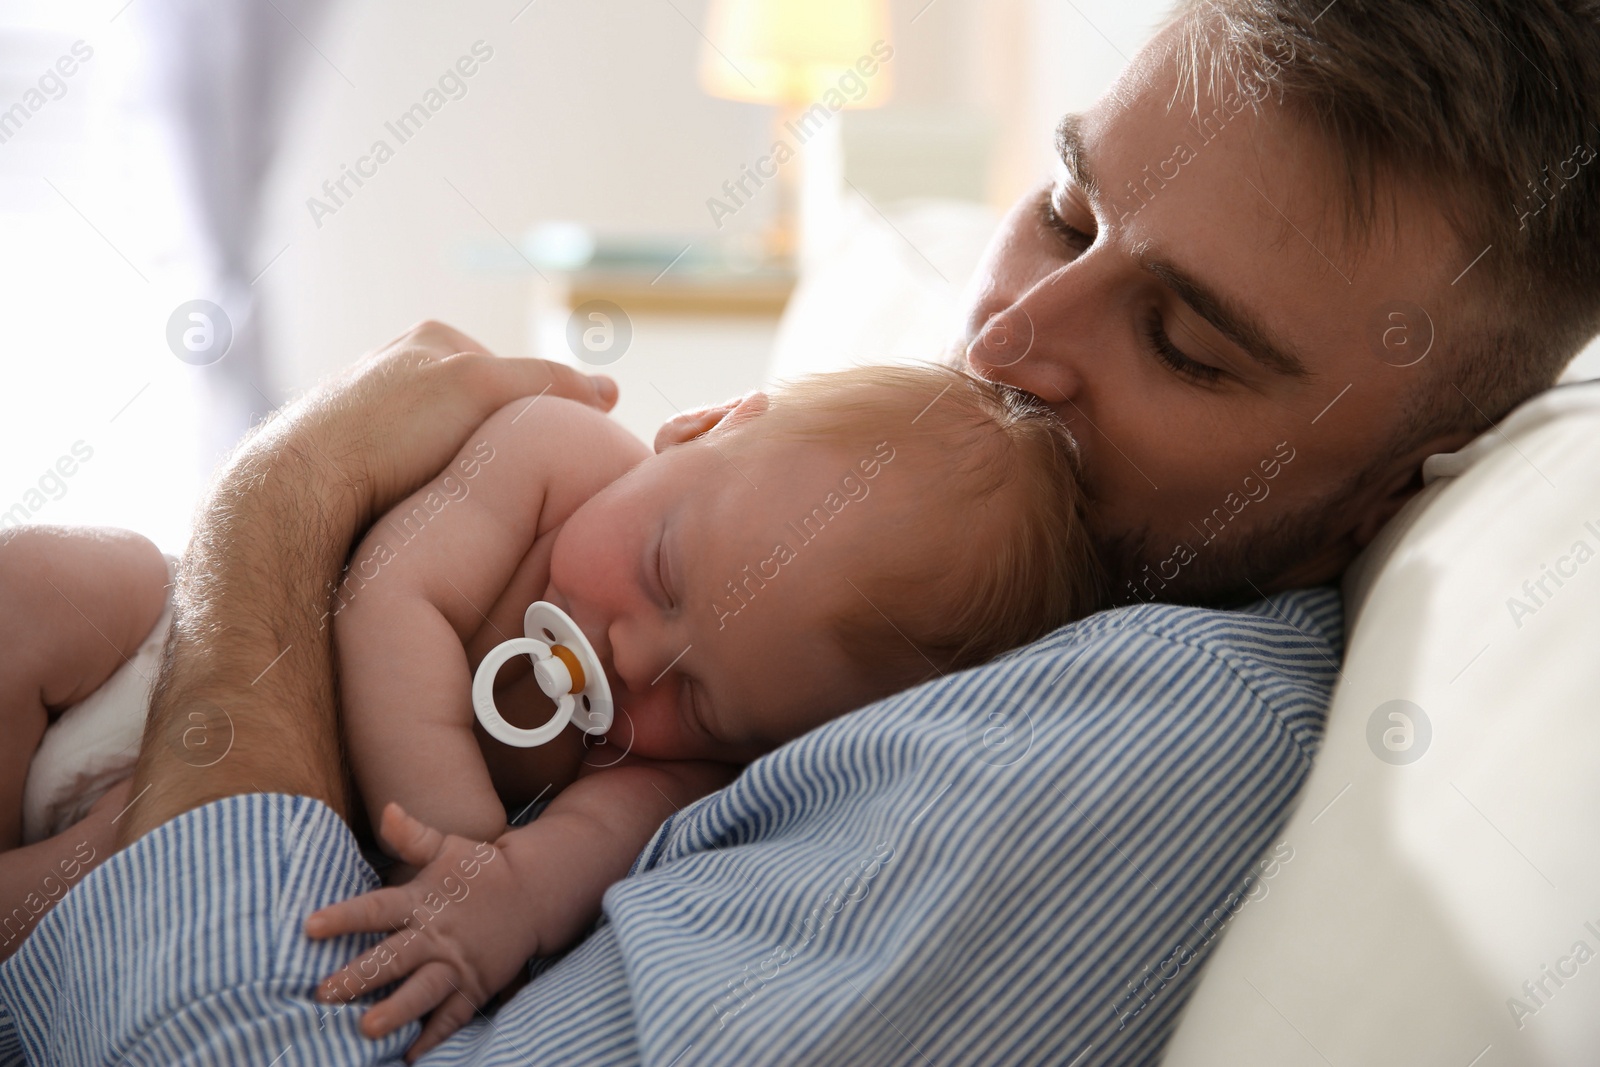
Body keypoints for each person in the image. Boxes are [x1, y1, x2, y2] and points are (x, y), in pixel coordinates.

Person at [3, 0, 1598, 1063]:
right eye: (1064, 209)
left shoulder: (1126, 744)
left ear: (1388, 485)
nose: (1006, 343)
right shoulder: (896, 505)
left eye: (1189, 346)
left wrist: (276, 500)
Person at [310, 365, 1095, 1056]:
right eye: (664, 571)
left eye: (698, 699)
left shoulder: (676, 761)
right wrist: (452, 843)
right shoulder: (553, 455)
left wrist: (498, 897)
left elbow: (573, 856)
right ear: (704, 427)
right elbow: (386, 595)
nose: (636, 659)